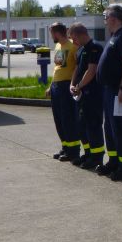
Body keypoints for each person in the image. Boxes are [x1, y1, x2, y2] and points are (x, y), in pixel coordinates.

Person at [95, 5, 122, 181]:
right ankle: (114, 161)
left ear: (114, 18)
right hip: (108, 90)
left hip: (118, 90)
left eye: (106, 16)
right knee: (110, 128)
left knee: (120, 129)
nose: (104, 20)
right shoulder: (115, 36)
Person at [69, 23, 105, 169]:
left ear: (79, 35)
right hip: (81, 94)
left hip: (92, 94)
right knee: (82, 125)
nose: (73, 41)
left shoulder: (95, 47)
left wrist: (79, 86)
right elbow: (77, 69)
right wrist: (72, 84)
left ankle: (97, 157)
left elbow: (92, 70)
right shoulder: (81, 50)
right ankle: (88, 153)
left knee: (93, 126)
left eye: (73, 38)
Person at [45, 22, 80, 161]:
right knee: (59, 119)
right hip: (56, 87)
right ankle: (65, 147)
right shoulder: (58, 45)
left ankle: (73, 151)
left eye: (51, 33)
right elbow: (58, 68)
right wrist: (51, 85)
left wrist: (74, 84)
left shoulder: (73, 46)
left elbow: (78, 66)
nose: (51, 36)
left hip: (66, 86)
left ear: (56, 33)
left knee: (68, 119)